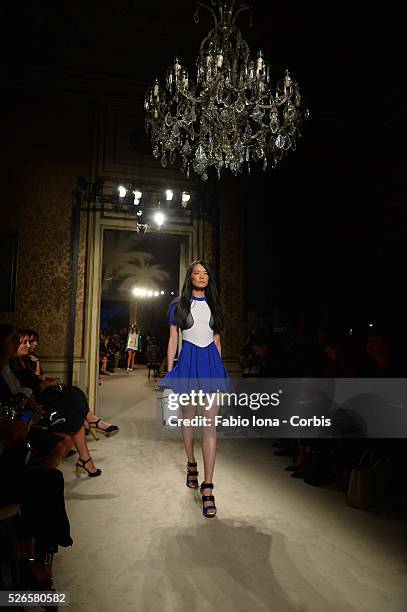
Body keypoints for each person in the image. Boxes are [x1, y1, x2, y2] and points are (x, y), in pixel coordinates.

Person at [157, 260, 232, 518]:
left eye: (205, 273)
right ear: (190, 277)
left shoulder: (215, 306)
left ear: (209, 279)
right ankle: (191, 464)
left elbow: (217, 341)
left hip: (211, 365)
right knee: (189, 418)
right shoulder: (177, 305)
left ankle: (208, 488)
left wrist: (219, 371)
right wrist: (169, 374)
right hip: (188, 363)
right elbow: (173, 340)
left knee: (210, 424)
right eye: (196, 273)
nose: (201, 276)